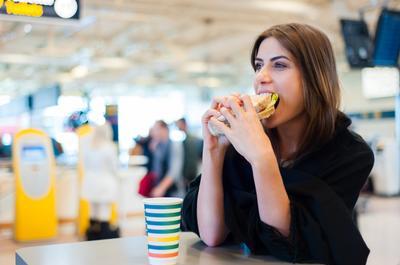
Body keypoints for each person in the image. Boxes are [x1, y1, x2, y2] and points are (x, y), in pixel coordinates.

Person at [181, 23, 374, 265]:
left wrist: (261, 158)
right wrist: (214, 151)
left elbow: (289, 242)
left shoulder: (350, 154)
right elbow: (212, 234)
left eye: (280, 65)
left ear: (315, 78)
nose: (261, 77)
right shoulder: (241, 138)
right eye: (259, 65)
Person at [81, 123, 120, 240]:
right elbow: (114, 167)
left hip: (90, 181)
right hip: (105, 181)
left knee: (93, 209)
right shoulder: (109, 147)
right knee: (104, 209)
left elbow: (85, 164)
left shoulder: (88, 146)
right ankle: (104, 235)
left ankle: (92, 235)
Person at [148, 120, 184, 197]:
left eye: (156, 129)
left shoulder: (175, 145)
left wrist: (161, 188)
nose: (153, 133)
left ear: (164, 129)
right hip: (161, 190)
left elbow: (174, 171)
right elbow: (156, 170)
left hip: (174, 191)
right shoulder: (158, 146)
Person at [175, 118, 202, 191]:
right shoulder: (190, 138)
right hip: (192, 174)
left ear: (184, 124)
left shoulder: (188, 140)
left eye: (179, 124)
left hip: (190, 175)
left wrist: (187, 177)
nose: (178, 127)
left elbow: (191, 160)